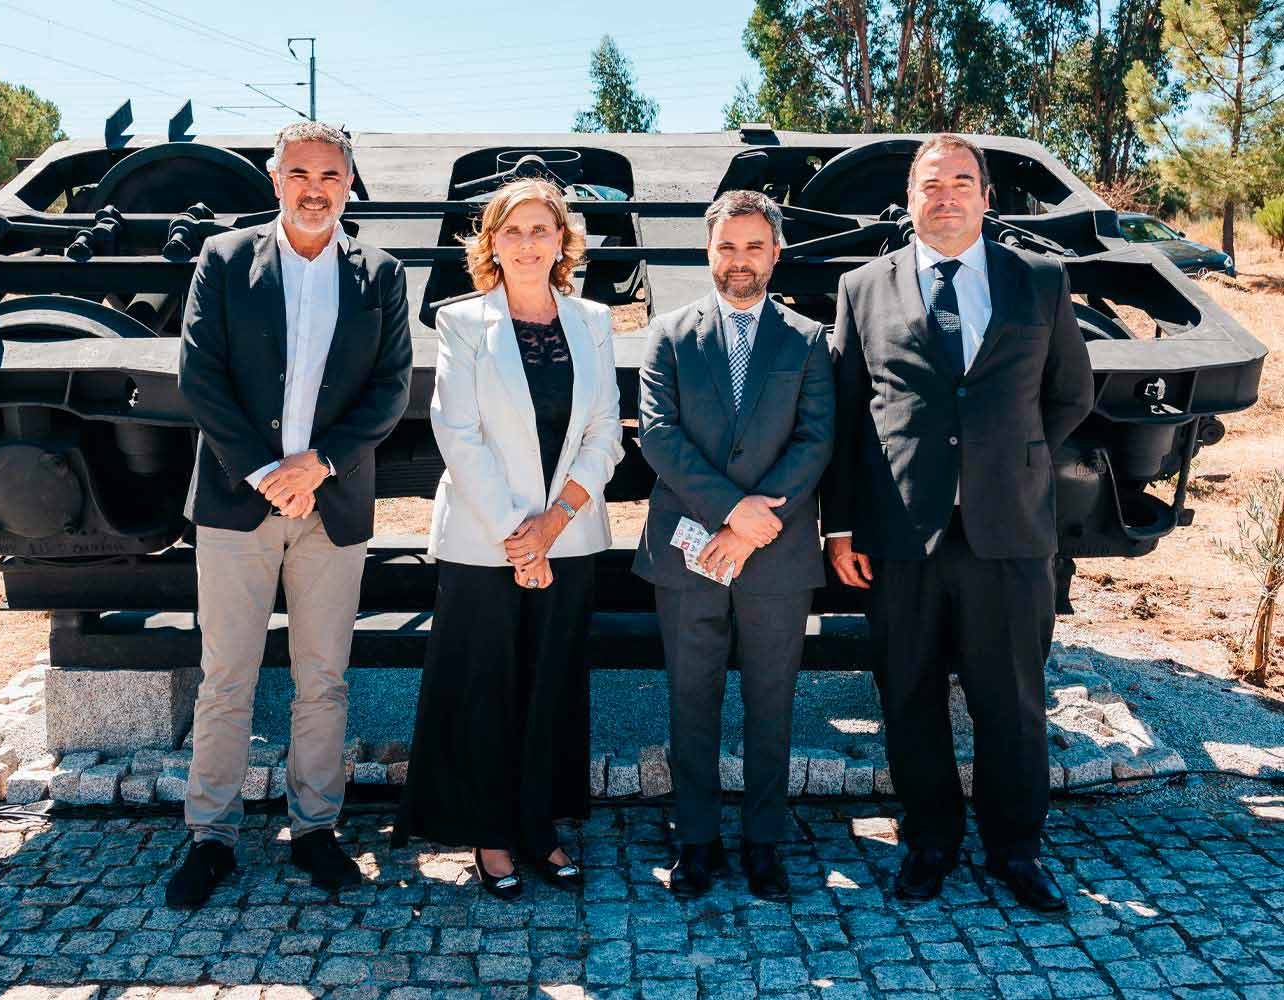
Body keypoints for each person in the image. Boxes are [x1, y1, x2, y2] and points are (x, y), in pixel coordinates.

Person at [820, 134, 1094, 912]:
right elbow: (848, 413)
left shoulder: (1040, 281)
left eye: (962, 183)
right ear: (910, 198)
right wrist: (839, 529)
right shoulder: (862, 287)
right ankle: (930, 842)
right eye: (931, 185)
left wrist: (1012, 460)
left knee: (1011, 699)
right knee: (907, 696)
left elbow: (1068, 394)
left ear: (985, 197)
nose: (946, 197)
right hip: (900, 536)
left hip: (1007, 531)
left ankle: (1016, 850)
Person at [167, 121, 413, 907]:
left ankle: (315, 831)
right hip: (240, 504)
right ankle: (211, 836)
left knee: (323, 680)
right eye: (300, 173)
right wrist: (270, 472)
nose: (315, 189)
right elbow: (200, 375)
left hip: (331, 504)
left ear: (349, 184)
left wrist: (320, 464)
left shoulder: (380, 272)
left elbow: (391, 387)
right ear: (275, 180)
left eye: (330, 176)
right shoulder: (226, 258)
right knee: (226, 676)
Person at [392, 178, 623, 900]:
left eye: (541, 230)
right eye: (513, 231)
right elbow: (457, 435)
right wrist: (519, 538)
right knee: (487, 689)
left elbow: (605, 432)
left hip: (571, 538)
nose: (528, 243)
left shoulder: (593, 319)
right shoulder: (462, 322)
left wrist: (553, 526)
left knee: (551, 687)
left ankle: (540, 830)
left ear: (563, 242)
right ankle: (491, 836)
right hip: (482, 544)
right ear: (490, 242)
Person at [633, 189, 835, 900]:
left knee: (771, 701)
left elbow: (816, 439)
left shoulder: (809, 340)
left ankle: (764, 842)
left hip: (776, 556)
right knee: (691, 699)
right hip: (689, 549)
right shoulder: (668, 333)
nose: (739, 261)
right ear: (707, 251)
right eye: (727, 247)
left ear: (775, 252)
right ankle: (695, 840)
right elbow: (658, 434)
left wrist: (754, 525)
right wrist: (729, 514)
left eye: (754, 246)